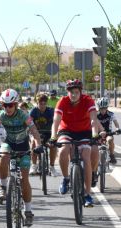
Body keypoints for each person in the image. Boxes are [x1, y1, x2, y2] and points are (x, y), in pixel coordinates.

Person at [0, 89, 41, 226]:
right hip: (9, 144)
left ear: (15, 104)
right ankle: (2, 187)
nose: (7, 108)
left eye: (10, 105)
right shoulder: (2, 116)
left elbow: (34, 131)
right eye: (5, 106)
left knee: (25, 179)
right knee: (3, 156)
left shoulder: (23, 115)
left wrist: (38, 144)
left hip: (23, 148)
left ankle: (28, 211)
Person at [51, 79, 102, 207]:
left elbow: (93, 120)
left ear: (80, 92)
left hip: (84, 131)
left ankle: (87, 194)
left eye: (76, 92)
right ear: (67, 92)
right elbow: (56, 121)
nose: (73, 95)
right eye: (71, 92)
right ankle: (66, 178)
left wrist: (95, 134)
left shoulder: (88, 100)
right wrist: (53, 136)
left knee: (86, 157)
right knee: (63, 149)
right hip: (66, 130)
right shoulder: (62, 101)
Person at [29, 93, 56, 176]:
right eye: (41, 104)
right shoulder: (33, 111)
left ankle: (52, 166)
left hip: (49, 133)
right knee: (33, 143)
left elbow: (56, 122)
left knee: (53, 145)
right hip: (37, 133)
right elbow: (29, 122)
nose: (43, 106)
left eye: (44, 104)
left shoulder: (51, 111)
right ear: (37, 103)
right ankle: (33, 165)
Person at [96, 97, 121, 164]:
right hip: (98, 134)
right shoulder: (95, 114)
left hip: (108, 133)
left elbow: (116, 123)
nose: (103, 110)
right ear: (98, 108)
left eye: (104, 108)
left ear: (107, 107)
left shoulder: (111, 114)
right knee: (93, 145)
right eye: (101, 108)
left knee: (110, 140)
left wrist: (117, 129)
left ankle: (112, 155)